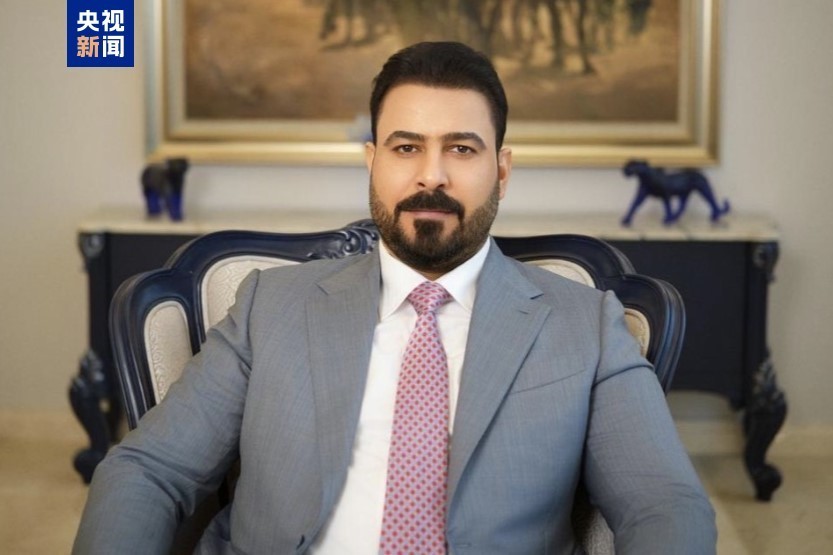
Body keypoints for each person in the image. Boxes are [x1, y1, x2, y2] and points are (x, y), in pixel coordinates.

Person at [74, 41, 716, 554]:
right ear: (372, 161)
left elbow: (664, 503)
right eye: (406, 147)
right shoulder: (270, 305)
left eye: (461, 148)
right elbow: (149, 470)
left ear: (501, 170)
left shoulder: (586, 323)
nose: (430, 175)